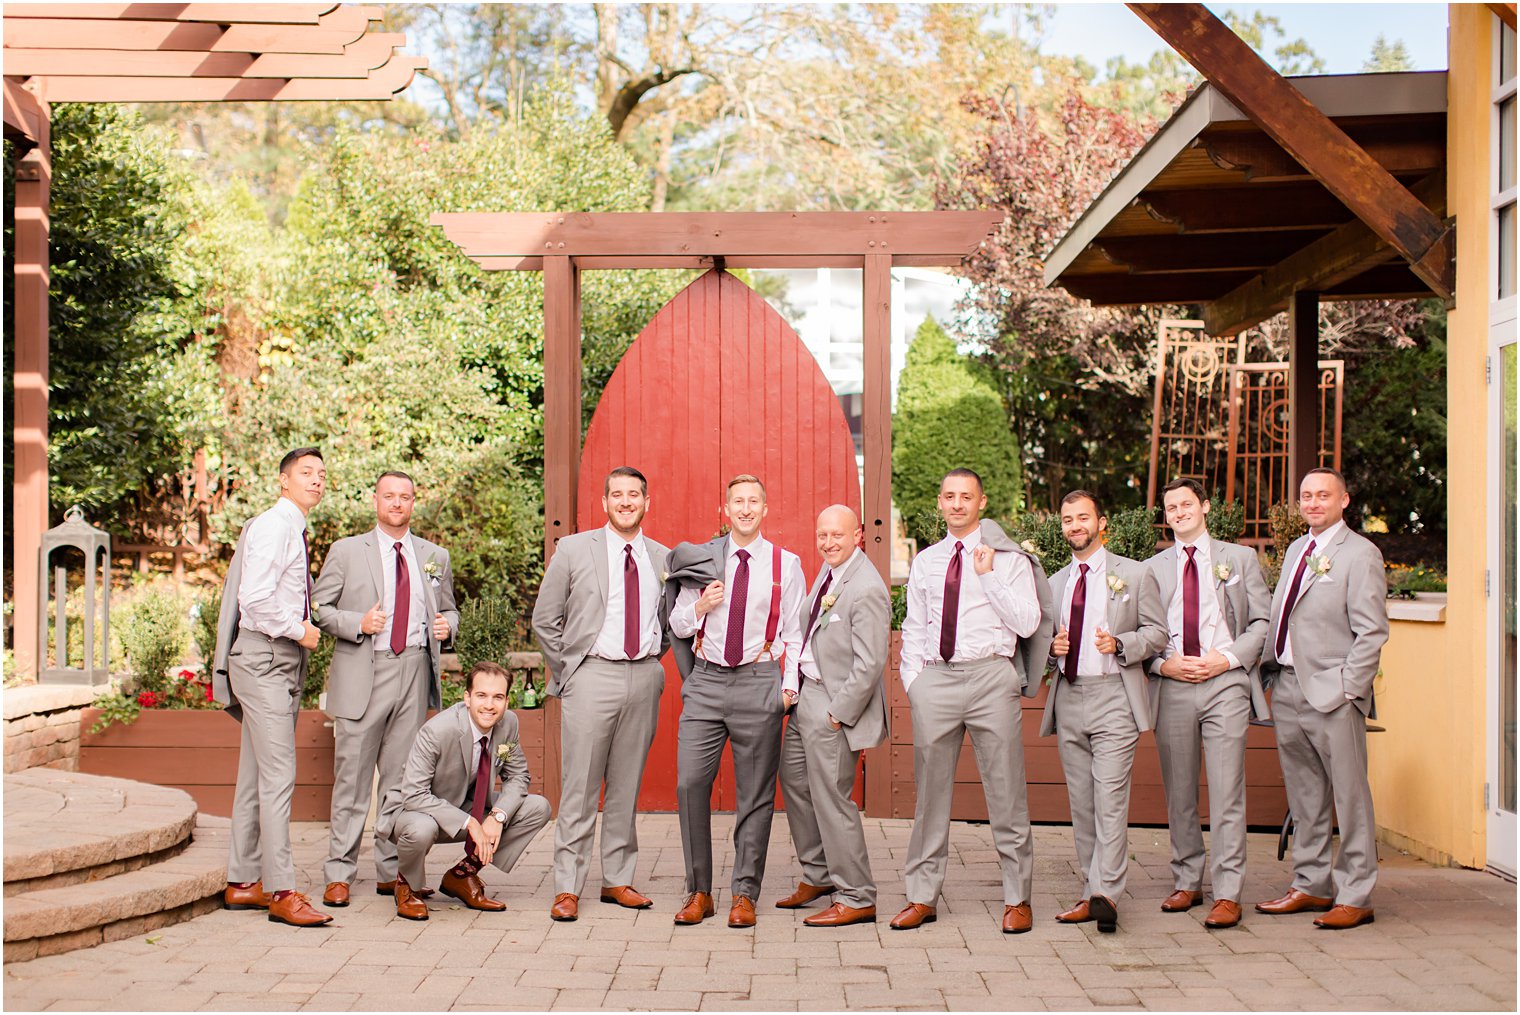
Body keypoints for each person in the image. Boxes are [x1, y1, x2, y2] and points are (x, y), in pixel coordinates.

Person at [892, 469, 1047, 935]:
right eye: (949, 496)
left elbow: (1027, 622)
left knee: (1006, 791)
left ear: (981, 503)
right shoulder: (926, 561)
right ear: (939, 503)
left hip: (990, 679)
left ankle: (1017, 897)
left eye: (966, 497)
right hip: (936, 680)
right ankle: (922, 896)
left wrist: (990, 576)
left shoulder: (1008, 559)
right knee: (930, 796)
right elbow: (915, 625)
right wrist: (914, 682)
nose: (957, 504)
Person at [311, 471, 459, 908]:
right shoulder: (346, 551)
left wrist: (448, 625)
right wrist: (355, 622)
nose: (397, 503)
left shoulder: (435, 555)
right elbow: (319, 607)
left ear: (415, 502)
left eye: (405, 497)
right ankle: (339, 871)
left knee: (401, 780)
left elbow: (449, 608)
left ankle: (392, 871)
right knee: (352, 780)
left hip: (414, 669)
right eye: (389, 496)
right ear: (375, 499)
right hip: (364, 668)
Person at [665, 474, 805, 928]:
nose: (745, 509)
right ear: (725, 510)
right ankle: (699, 891)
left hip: (757, 680)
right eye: (737, 502)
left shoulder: (788, 564)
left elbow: (795, 635)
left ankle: (744, 892)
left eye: (753, 502)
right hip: (706, 682)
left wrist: (789, 687)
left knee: (756, 795)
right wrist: (699, 607)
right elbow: (678, 624)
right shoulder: (702, 558)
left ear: (765, 509)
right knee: (690, 785)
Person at [532, 466, 670, 922]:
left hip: (643, 675)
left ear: (647, 502)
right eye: (617, 494)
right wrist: (569, 671)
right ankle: (567, 886)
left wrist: (652, 662)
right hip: (590, 676)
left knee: (626, 787)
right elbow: (544, 618)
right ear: (604, 501)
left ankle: (617, 880)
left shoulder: (662, 557)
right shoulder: (573, 549)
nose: (626, 501)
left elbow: (668, 624)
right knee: (580, 787)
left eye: (634, 494)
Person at [1256, 467, 1388, 930]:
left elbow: (1372, 632)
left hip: (1334, 693)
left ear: (1344, 500)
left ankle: (1356, 894)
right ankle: (1312, 884)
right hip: (1288, 687)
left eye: (1322, 495)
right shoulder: (1296, 550)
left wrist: (1350, 688)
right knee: (1305, 794)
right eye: (1306, 496)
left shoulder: (1361, 554)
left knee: (1350, 797)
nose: (1312, 503)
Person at [210, 446, 332, 928]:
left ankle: (243, 882)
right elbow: (255, 599)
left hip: (276, 659)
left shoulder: (292, 529)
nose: (317, 480)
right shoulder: (273, 526)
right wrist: (300, 629)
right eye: (307, 473)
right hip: (264, 657)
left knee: (256, 772)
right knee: (280, 774)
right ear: (284, 480)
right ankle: (283, 890)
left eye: (322, 474)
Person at [1146, 478, 1271, 929]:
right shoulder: (1152, 568)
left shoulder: (1239, 560)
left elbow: (1262, 620)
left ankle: (1228, 892)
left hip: (1226, 683)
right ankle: (1186, 881)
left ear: (1205, 507)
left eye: (1186, 504)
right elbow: (1143, 629)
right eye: (1171, 508)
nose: (1179, 512)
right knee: (1179, 790)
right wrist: (1164, 665)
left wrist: (1227, 658)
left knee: (1226, 790)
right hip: (1174, 684)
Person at [1045, 489, 1168, 934]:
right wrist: (1051, 649)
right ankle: (1089, 888)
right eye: (1067, 519)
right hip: (1069, 697)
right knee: (1082, 803)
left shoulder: (1134, 575)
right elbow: (1038, 642)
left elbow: (1157, 633)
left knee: (1110, 799)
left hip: (1115, 695)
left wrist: (1121, 644)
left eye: (1082, 517)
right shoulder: (1054, 582)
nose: (1075, 526)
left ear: (1101, 523)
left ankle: (1106, 894)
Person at [775, 505, 890, 927]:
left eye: (837, 535)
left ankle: (858, 895)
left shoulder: (866, 587)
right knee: (795, 782)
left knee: (832, 798)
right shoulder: (829, 573)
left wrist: (837, 715)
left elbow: (870, 662)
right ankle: (819, 874)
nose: (827, 542)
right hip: (808, 696)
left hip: (833, 705)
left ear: (858, 535)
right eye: (822, 534)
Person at [374, 661, 552, 920]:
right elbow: (414, 793)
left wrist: (498, 816)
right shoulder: (437, 731)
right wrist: (470, 822)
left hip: (464, 803)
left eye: (498, 697)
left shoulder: (508, 724)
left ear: (506, 700)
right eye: (482, 696)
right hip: (413, 810)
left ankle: (462, 875)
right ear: (467, 698)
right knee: (422, 828)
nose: (489, 705)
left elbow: (518, 777)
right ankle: (407, 885)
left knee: (538, 807)